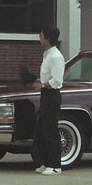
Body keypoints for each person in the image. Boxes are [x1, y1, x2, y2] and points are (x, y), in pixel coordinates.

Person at [31, 25, 65, 176]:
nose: (39, 38)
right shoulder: (47, 55)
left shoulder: (56, 56)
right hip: (45, 95)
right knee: (43, 129)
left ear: (48, 38)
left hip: (52, 95)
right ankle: (45, 162)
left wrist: (43, 85)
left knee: (51, 129)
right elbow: (47, 76)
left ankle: (55, 165)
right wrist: (39, 82)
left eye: (41, 35)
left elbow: (57, 80)